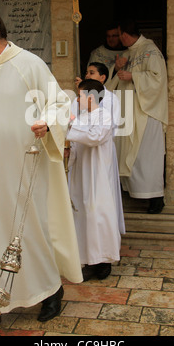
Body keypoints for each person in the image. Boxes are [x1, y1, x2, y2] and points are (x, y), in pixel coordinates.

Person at [0, 12, 82, 336]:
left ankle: (51, 290)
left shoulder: (30, 65)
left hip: (24, 168)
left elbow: (59, 104)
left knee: (28, 231)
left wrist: (48, 124)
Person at [106, 18, 168, 214]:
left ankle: (156, 198)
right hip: (128, 111)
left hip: (145, 113)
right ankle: (131, 192)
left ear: (125, 33)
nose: (117, 39)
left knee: (146, 156)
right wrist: (117, 70)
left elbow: (158, 79)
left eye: (118, 35)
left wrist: (134, 76)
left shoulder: (150, 50)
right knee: (127, 153)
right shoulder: (128, 53)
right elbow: (114, 81)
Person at [66, 79, 122, 281]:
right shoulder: (82, 118)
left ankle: (104, 260)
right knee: (83, 214)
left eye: (79, 96)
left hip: (98, 174)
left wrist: (71, 124)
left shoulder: (104, 117)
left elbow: (95, 137)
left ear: (90, 97)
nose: (77, 100)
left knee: (98, 214)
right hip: (82, 174)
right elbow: (75, 145)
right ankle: (88, 259)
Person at [71, 62, 125, 235]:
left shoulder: (110, 101)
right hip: (82, 155)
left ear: (103, 77)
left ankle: (104, 241)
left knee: (101, 201)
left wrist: (75, 129)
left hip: (100, 155)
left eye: (92, 73)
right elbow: (73, 119)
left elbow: (105, 130)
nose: (87, 75)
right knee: (84, 200)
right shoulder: (80, 99)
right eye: (87, 72)